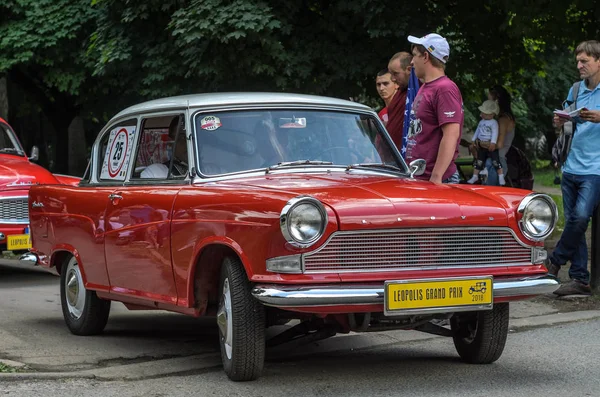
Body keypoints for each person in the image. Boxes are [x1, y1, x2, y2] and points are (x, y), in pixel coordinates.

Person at [545, 40, 600, 296]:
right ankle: (579, 279)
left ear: (598, 61)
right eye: (578, 61)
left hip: (595, 169)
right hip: (571, 165)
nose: (579, 66)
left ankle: (554, 261)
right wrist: (560, 120)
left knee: (579, 218)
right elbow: (567, 122)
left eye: (584, 61)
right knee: (574, 223)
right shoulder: (576, 89)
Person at [405, 33, 463, 184]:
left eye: (415, 55)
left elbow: (451, 134)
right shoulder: (426, 87)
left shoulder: (444, 88)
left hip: (438, 180)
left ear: (425, 56)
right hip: (420, 177)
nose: (411, 62)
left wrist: (436, 177)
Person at [467, 99, 506, 185]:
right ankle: (475, 176)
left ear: (491, 114)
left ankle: (501, 176)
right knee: (479, 161)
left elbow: (495, 133)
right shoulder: (481, 122)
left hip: (489, 144)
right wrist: (473, 140)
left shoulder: (494, 123)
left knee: (495, 161)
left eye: (483, 113)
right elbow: (477, 131)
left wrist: (493, 142)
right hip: (482, 144)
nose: (481, 115)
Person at [484, 85, 516, 186]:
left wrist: (481, 144)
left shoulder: (503, 120)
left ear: (497, 101)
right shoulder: (503, 118)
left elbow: (499, 144)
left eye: (489, 101)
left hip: (496, 162)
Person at [386, 52, 412, 148]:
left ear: (409, 70)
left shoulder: (417, 92)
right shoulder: (400, 91)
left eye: (396, 74)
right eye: (391, 74)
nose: (392, 79)